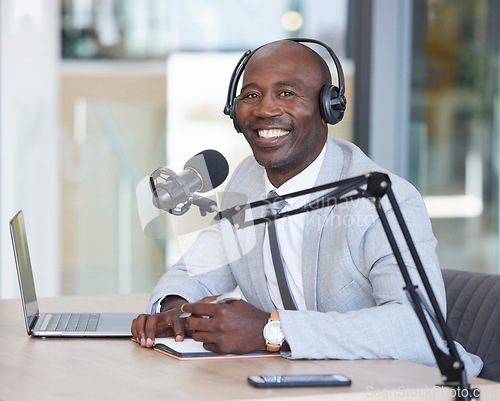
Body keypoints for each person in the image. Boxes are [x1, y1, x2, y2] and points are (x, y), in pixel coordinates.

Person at [132, 39, 482, 375]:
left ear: (328, 107)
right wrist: (175, 309)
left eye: (287, 93)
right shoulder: (247, 182)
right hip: (303, 383)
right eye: (252, 95)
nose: (266, 109)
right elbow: (197, 269)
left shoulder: (380, 198)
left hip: (411, 386)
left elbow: (417, 327)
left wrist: (271, 331)